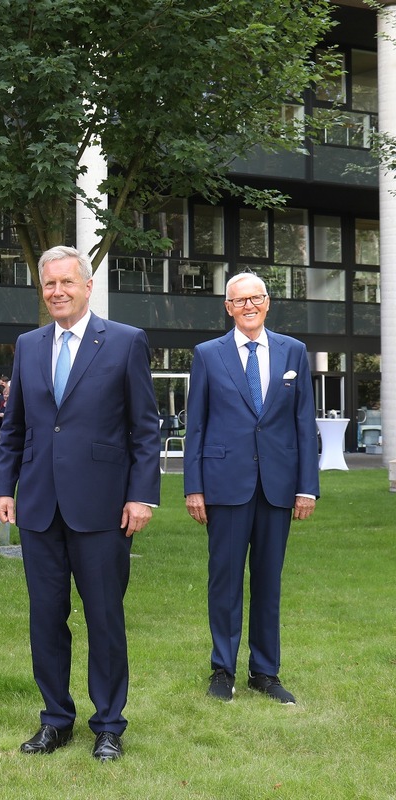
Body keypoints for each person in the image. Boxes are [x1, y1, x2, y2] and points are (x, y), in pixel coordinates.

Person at [0, 245, 160, 763]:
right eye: (49, 284)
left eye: (67, 282)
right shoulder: (28, 344)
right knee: (46, 617)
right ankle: (55, 719)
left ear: (87, 286)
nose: (58, 291)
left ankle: (109, 723)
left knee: (104, 617)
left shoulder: (126, 342)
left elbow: (145, 429)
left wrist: (141, 496)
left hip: (104, 508)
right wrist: (3, 487)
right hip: (40, 507)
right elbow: (14, 425)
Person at [183, 272, 318, 705]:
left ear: (267, 302)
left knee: (268, 582)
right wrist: (194, 487)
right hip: (224, 487)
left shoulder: (293, 351)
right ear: (228, 307)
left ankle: (265, 671)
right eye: (239, 301)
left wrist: (307, 488)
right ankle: (222, 670)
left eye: (255, 298)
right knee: (223, 581)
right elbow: (197, 426)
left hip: (278, 487)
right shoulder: (207, 355)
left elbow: (302, 424)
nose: (248, 306)